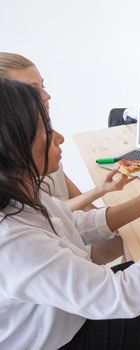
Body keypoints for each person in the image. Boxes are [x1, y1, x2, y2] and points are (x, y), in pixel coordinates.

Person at [0, 77, 140, 349]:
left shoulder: (20, 193)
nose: (59, 137)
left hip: (67, 312)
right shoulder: (12, 242)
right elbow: (125, 295)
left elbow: (74, 226)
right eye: (46, 131)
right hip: (62, 338)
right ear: (13, 149)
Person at [0, 52, 130, 264]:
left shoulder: (40, 146)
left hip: (76, 241)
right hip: (70, 251)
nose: (46, 95)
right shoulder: (16, 183)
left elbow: (68, 198)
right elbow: (55, 218)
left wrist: (108, 214)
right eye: (33, 89)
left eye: (43, 85)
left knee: (135, 236)